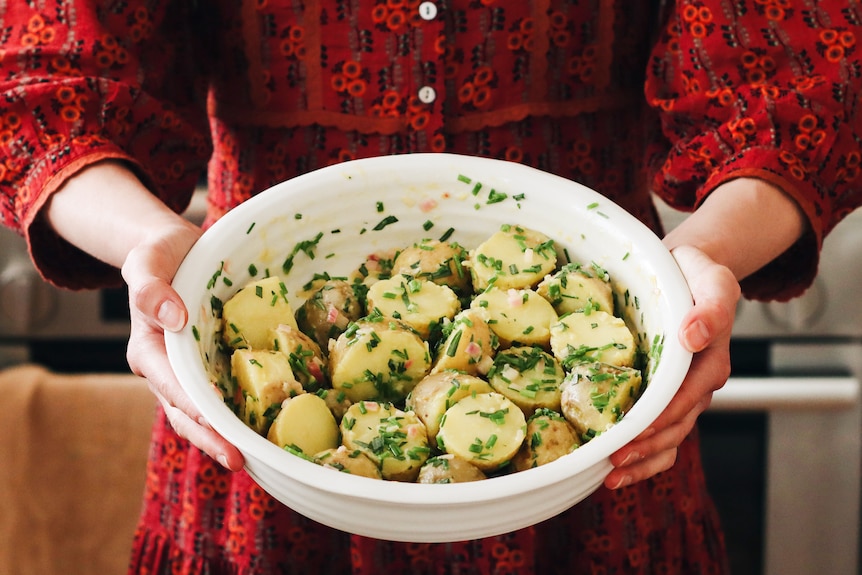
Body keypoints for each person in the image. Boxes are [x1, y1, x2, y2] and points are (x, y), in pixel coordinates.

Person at [1, 1, 859, 573]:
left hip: (600, 425)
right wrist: (152, 245)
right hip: (262, 434)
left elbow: (796, 85)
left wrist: (703, 257)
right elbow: (53, 82)